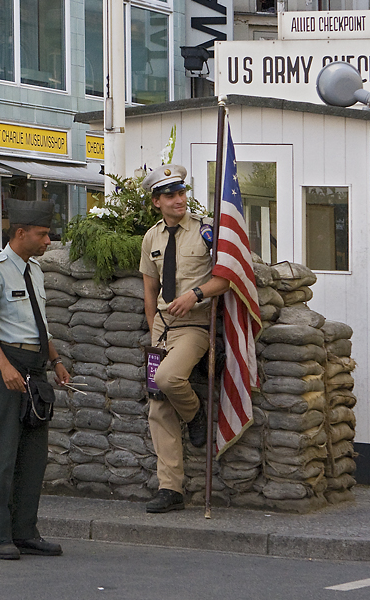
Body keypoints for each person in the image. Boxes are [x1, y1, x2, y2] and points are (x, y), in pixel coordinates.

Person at [0, 198, 70, 560]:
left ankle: (25, 531)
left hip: (35, 368)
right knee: (3, 454)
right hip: (7, 367)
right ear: (21, 233)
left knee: (34, 456)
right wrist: (3, 367)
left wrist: (55, 360)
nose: (48, 241)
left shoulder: (35, 271)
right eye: (42, 235)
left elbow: (39, 325)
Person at [139, 164, 231, 514]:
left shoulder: (207, 231)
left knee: (168, 378)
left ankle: (195, 414)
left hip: (196, 327)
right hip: (163, 328)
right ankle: (170, 488)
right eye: (170, 195)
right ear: (156, 202)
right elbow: (149, 289)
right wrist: (153, 331)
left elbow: (226, 278)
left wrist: (196, 293)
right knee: (159, 406)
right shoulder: (152, 237)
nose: (179, 200)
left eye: (181, 193)